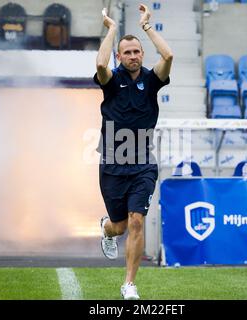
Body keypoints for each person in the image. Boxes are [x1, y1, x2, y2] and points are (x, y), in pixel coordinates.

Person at [93, 4, 173, 300]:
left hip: (142, 165)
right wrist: (112, 30)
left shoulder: (151, 81)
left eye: (136, 51)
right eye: (127, 52)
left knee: (137, 220)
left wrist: (147, 27)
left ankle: (129, 284)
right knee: (121, 225)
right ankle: (106, 228)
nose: (133, 56)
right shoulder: (112, 81)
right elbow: (100, 66)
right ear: (119, 56)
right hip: (112, 164)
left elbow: (169, 56)